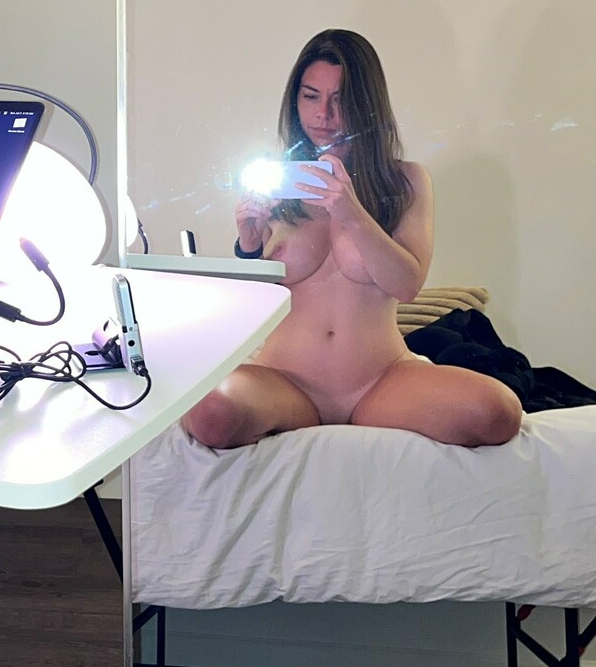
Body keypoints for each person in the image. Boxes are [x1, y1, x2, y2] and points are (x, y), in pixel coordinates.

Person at [182, 29, 523, 450]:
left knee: (498, 412)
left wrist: (351, 211)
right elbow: (249, 307)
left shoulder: (404, 182)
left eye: (339, 99)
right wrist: (249, 246)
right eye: (310, 97)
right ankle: (297, 415)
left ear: (366, 104)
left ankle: (358, 416)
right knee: (209, 412)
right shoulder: (277, 184)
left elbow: (407, 285)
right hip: (284, 380)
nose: (323, 114)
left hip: (379, 381)